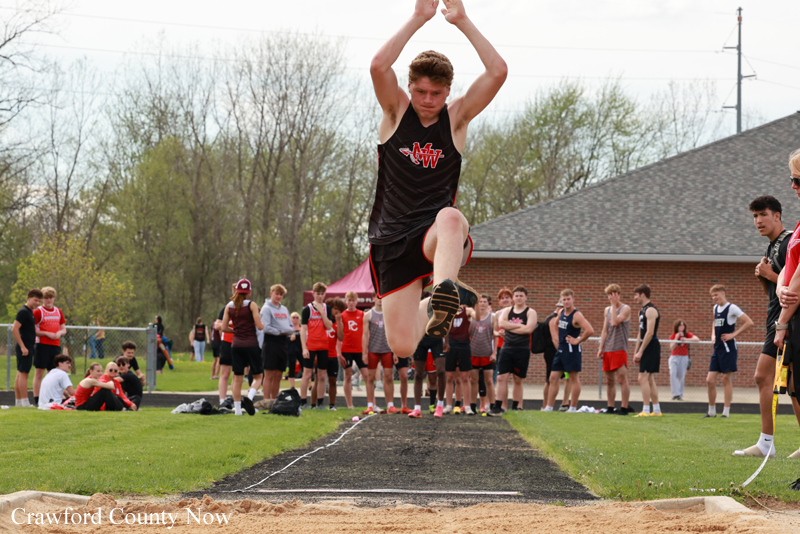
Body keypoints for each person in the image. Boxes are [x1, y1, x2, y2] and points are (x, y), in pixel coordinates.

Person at [367, 0, 507, 373]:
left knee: (450, 216)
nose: (428, 101)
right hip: (392, 238)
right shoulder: (396, 111)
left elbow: (497, 71)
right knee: (402, 345)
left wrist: (462, 20)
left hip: (436, 235)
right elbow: (379, 66)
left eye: (436, 94)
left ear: (448, 91)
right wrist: (418, 17)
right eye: (421, 92)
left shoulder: (456, 119)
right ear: (409, 86)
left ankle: (445, 287)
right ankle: (435, 302)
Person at [736, 193, 798, 457]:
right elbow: (774, 292)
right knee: (786, 385)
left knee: (774, 380)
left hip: (787, 322)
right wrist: (764, 278)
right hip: (777, 320)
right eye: (754, 216)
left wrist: (768, 274)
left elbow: (792, 286)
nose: (758, 221)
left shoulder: (787, 244)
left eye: (763, 215)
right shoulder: (771, 247)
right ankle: (766, 443)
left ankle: (766, 444)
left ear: (777, 216)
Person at [772, 148, 800, 457]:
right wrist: (780, 286)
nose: (793, 186)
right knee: (797, 389)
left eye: (798, 180)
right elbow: (787, 274)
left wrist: (780, 324)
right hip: (792, 314)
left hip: (794, 316)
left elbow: (799, 283)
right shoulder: (799, 226)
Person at [704, 285, 753, 418]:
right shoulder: (715, 308)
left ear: (723, 293)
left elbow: (749, 322)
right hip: (717, 348)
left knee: (726, 378)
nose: (714, 298)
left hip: (728, 348)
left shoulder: (732, 308)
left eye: (716, 295)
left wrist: (733, 335)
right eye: (712, 296)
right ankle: (711, 411)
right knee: (710, 380)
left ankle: (726, 412)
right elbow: (714, 322)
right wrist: (712, 335)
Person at [545, 289, 593, 413]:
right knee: (553, 377)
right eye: (564, 299)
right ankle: (549, 407)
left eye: (568, 299)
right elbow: (556, 324)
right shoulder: (561, 311)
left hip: (572, 350)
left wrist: (578, 340)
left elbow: (590, 330)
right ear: (561, 300)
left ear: (573, 300)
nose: (566, 302)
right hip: (561, 350)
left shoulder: (577, 315)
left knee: (573, 378)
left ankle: (572, 408)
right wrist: (558, 339)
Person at [221, 278, 264, 416]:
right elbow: (259, 326)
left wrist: (236, 331)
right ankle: (249, 398)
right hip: (251, 344)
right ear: (249, 292)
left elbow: (223, 327)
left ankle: (238, 411)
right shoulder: (252, 305)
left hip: (236, 345)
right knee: (258, 376)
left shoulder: (229, 306)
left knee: (237, 378)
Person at [491, 286, 536, 415]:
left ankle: (516, 407)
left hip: (522, 349)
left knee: (517, 379)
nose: (518, 298)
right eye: (516, 296)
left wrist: (511, 327)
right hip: (507, 348)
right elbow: (502, 324)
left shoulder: (530, 312)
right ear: (513, 298)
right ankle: (498, 406)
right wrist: (520, 326)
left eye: (521, 295)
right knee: (501, 378)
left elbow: (528, 330)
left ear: (526, 297)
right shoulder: (507, 311)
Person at [596, 284, 632, 415]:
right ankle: (610, 407)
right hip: (608, 348)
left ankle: (624, 407)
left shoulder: (625, 308)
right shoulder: (607, 310)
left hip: (619, 348)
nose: (612, 297)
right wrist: (601, 347)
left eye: (614, 294)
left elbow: (615, 322)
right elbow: (605, 330)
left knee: (622, 378)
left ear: (619, 295)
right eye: (609, 294)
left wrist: (614, 305)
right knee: (609, 380)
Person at [258, 284, 296, 401]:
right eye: (276, 294)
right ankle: (266, 400)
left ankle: (274, 400)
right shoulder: (266, 309)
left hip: (283, 344)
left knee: (279, 375)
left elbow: (291, 327)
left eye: (281, 294)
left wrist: (284, 331)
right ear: (271, 294)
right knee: (269, 374)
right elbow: (265, 328)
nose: (279, 296)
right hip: (270, 343)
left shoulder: (284, 309)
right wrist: (281, 331)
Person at [301, 282, 334, 410]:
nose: (320, 296)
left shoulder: (327, 308)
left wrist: (321, 312)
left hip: (323, 346)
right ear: (313, 294)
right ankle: (303, 401)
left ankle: (320, 403)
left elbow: (329, 326)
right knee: (307, 374)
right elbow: (303, 330)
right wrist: (304, 347)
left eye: (322, 294)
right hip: (310, 345)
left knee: (321, 375)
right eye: (318, 294)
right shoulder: (307, 309)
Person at [32, 286, 67, 406]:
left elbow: (63, 329)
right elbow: (33, 330)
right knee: (39, 373)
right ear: (42, 299)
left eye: (51, 298)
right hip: (42, 345)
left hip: (55, 346)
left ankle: (52, 398)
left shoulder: (58, 311)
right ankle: (37, 399)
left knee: (53, 373)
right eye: (46, 298)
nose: (48, 300)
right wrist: (46, 333)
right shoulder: (38, 311)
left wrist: (59, 333)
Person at [632, 284, 663, 417]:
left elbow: (649, 333)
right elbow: (640, 332)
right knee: (649, 378)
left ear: (642, 294)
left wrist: (641, 351)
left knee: (642, 377)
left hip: (651, 345)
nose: (634, 298)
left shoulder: (651, 310)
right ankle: (656, 411)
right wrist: (636, 351)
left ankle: (645, 410)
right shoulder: (641, 311)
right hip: (644, 346)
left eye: (636, 295)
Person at [363, 295, 393, 415]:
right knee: (370, 378)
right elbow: (364, 334)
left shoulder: (389, 313)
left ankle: (390, 405)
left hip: (386, 349)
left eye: (382, 297)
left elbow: (394, 332)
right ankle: (370, 405)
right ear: (373, 298)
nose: (380, 299)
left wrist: (395, 351)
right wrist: (364, 352)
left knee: (389, 377)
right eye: (377, 297)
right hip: (373, 349)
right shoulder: (368, 315)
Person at [12, 288, 41, 407]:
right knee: (24, 374)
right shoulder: (23, 311)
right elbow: (14, 329)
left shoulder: (30, 311)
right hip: (24, 347)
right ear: (29, 298)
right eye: (35, 300)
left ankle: (18, 402)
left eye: (39, 301)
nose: (37, 303)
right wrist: (23, 347)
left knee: (20, 374)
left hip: (28, 345)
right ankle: (25, 402)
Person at [443, 305, 474, 414]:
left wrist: (478, 304)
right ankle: (448, 405)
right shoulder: (448, 310)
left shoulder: (468, 310)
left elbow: (478, 318)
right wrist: (445, 343)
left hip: (464, 345)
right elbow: (443, 328)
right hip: (450, 345)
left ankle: (467, 406)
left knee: (465, 377)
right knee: (449, 377)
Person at [340, 292, 368, 410]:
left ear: (357, 301)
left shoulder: (362, 314)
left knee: (366, 375)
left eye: (353, 300)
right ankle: (349, 404)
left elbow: (367, 332)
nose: (351, 303)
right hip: (346, 349)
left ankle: (371, 403)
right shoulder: (342, 315)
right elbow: (339, 334)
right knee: (348, 375)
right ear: (346, 302)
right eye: (349, 300)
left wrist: (366, 349)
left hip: (360, 349)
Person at [469, 294, 496, 415]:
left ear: (488, 304)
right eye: (480, 301)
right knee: (473, 380)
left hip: (487, 352)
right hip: (473, 352)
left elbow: (495, 336)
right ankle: (473, 406)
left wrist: (494, 352)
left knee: (488, 380)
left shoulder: (492, 318)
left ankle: (492, 405)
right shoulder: (471, 317)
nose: (482, 303)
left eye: (485, 301)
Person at [538, 302, 562, 411]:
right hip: (553, 352)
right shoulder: (553, 319)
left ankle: (547, 405)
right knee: (551, 380)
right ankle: (547, 406)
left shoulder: (549, 318)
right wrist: (562, 351)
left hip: (551, 352)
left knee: (551, 379)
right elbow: (554, 338)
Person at [668, 320, 700, 401]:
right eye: (680, 325)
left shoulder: (687, 334)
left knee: (681, 376)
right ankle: (675, 393)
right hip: (674, 356)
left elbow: (697, 339)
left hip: (684, 357)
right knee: (672, 373)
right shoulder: (673, 335)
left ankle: (680, 394)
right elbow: (672, 347)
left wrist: (686, 339)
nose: (682, 327)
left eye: (683, 325)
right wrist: (676, 338)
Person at [217, 284, 236, 407]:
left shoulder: (248, 307)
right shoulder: (227, 308)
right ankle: (222, 401)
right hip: (227, 343)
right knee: (225, 374)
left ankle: (236, 401)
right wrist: (230, 321)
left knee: (237, 374)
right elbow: (217, 326)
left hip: (241, 343)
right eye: (235, 291)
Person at [324, 297, 346, 410]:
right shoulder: (323, 319)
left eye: (338, 309)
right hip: (322, 353)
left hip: (332, 355)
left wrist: (339, 322)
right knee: (319, 380)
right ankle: (315, 404)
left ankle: (332, 405)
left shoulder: (339, 322)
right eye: (334, 308)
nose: (336, 311)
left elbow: (341, 337)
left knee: (333, 380)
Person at [286, 312, 302, 389]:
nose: (295, 319)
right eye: (293, 317)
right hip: (291, 351)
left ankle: (309, 386)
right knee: (291, 368)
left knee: (305, 367)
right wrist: (290, 338)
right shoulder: (288, 328)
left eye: (297, 317)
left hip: (301, 350)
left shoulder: (302, 327)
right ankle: (292, 387)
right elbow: (286, 339)